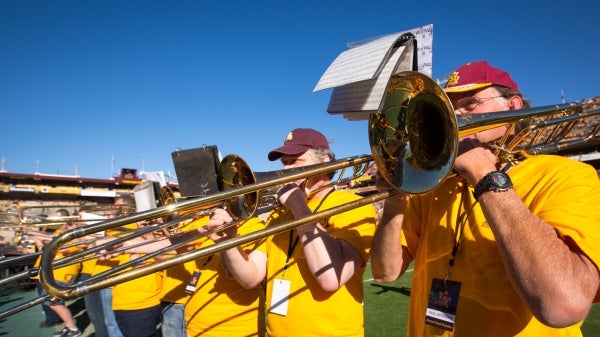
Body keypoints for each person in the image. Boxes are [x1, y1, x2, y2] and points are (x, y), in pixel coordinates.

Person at [370, 60, 600, 336]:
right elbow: (385, 273)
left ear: (512, 107)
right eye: (449, 108)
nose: (454, 117)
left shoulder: (568, 175)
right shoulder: (432, 187)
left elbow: (564, 305)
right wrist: (394, 205)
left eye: (469, 104)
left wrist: (483, 173)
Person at [206, 128, 377, 336]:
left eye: (295, 161)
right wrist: (230, 242)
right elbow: (251, 277)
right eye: (284, 163)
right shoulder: (278, 215)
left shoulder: (353, 206)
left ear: (323, 162)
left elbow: (330, 278)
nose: (286, 170)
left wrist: (298, 205)